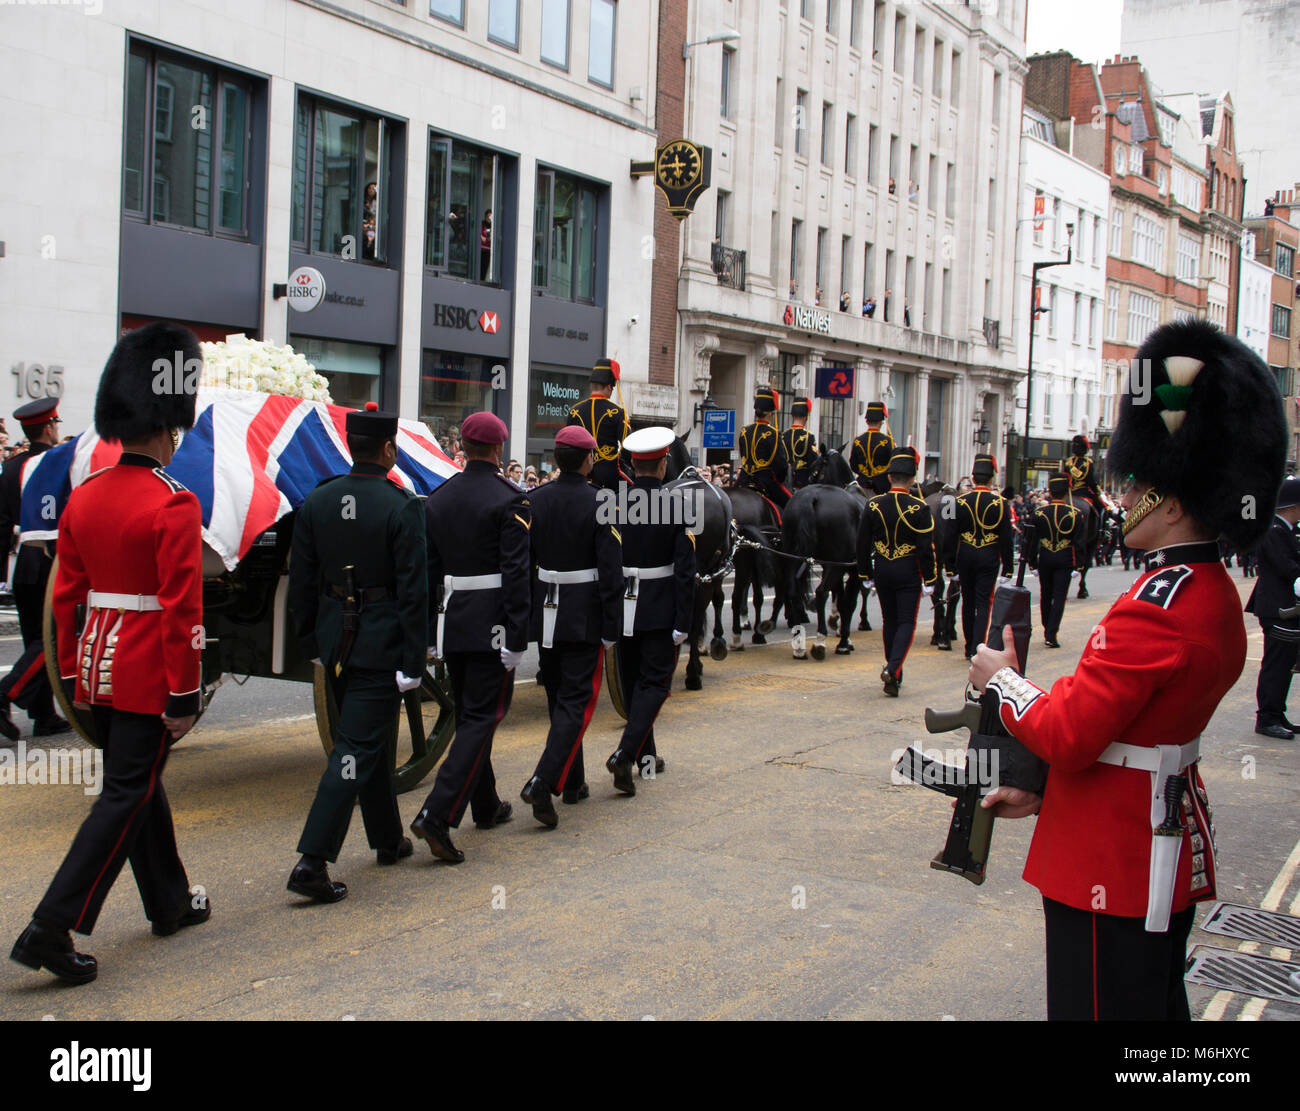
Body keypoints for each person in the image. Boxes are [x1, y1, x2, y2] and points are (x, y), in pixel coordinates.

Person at [969, 319, 1287, 1021]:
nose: (1126, 491)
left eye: (1140, 479)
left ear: (1172, 501)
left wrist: (1003, 679)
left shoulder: (1156, 604)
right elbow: (1131, 725)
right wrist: (1046, 789)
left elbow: (1077, 730)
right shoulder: (1210, 597)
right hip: (1149, 840)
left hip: (1109, 858)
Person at [10, 323, 208, 985]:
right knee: (124, 792)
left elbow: (65, 600)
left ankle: (171, 900)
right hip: (149, 671)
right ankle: (50, 925)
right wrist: (184, 694)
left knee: (136, 781)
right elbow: (182, 612)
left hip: (95, 666)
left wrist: (69, 674)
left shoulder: (85, 496)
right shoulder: (173, 504)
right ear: (164, 429)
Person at [285, 402, 427, 903]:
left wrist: (312, 643)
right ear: (388, 449)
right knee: (354, 750)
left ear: (351, 447)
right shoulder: (401, 505)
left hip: (335, 642)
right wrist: (414, 660)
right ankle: (313, 860)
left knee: (369, 739)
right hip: (380, 644)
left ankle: (387, 838)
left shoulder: (320, 501)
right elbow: (414, 593)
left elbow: (301, 582)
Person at [411, 411, 530, 863]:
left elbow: (429, 571)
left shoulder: (438, 498)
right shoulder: (511, 500)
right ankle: (437, 814)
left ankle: (485, 803)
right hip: (492, 622)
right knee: (485, 715)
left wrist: (428, 630)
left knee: (469, 715)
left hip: (453, 619)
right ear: (498, 450)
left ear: (462, 446)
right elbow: (516, 574)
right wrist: (517, 635)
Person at [519, 425, 623, 825]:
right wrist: (612, 626)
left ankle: (574, 780)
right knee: (576, 703)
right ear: (588, 460)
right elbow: (610, 571)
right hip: (584, 614)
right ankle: (542, 782)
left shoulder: (534, 499)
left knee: (558, 695)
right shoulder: (603, 503)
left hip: (548, 612)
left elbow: (526, 562)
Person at [604, 427, 695, 796]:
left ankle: (646, 757)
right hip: (659, 608)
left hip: (623, 606)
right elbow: (686, 571)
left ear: (633, 465)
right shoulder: (679, 506)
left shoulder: (612, 504)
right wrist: (684, 621)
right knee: (654, 684)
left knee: (632, 681)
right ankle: (625, 754)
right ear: (663, 465)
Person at [0, 397, 70, 739]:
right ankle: (5, 694)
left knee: (34, 639)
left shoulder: (11, 467)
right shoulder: (56, 463)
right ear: (49, 427)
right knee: (52, 640)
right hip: (50, 560)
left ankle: (44, 715)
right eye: (56, 424)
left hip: (24, 564)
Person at [859, 447, 935, 696]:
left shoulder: (873, 505)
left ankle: (894, 676)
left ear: (890, 477)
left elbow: (862, 544)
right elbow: (925, 549)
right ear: (912, 479)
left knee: (889, 621)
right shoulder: (920, 508)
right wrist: (931, 578)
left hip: (882, 568)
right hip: (907, 570)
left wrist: (865, 574)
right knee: (906, 622)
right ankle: (892, 667)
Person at [1246, 475, 1300, 740]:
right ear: (1292, 506)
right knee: (1276, 665)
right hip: (1278, 606)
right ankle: (1267, 718)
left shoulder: (1284, 529)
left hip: (1284, 605)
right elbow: (1288, 567)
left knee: (1284, 664)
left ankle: (1277, 713)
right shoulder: (1274, 530)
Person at [953, 454, 1013, 658]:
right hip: (988, 555)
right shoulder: (1002, 503)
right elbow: (1006, 538)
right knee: (982, 603)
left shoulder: (957, 502)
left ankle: (968, 643)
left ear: (973, 477)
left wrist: (949, 564)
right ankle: (976, 647)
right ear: (991, 479)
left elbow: (950, 535)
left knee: (967, 601)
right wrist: (1008, 566)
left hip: (965, 555)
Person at [1025, 475, 1084, 649]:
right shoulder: (1075, 515)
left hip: (1045, 558)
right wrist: (1079, 565)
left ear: (1050, 493)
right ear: (1066, 493)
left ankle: (1046, 627)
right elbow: (1079, 544)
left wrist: (1032, 563)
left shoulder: (1038, 514)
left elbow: (1032, 541)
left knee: (1046, 594)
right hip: (1065, 559)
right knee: (1059, 597)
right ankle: (1052, 633)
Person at [568, 357, 631, 491]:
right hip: (611, 479)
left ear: (592, 386)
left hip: (579, 478)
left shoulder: (574, 411)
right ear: (609, 387)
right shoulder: (617, 412)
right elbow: (628, 447)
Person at [736, 387, 791, 510]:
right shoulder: (774, 433)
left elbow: (743, 454)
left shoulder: (744, 431)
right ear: (771, 413)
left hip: (743, 480)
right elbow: (780, 464)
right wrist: (780, 479)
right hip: (765, 481)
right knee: (792, 505)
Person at [849, 401, 894, 494]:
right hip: (883, 487)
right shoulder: (887, 440)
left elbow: (853, 464)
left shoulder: (858, 440)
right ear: (881, 422)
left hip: (862, 484)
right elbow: (893, 463)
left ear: (866, 421)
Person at [781, 397, 818, 490]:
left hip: (785, 481)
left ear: (792, 416)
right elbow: (813, 461)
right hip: (803, 482)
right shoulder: (809, 436)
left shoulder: (783, 435)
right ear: (806, 417)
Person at [479, 209, 493, 281]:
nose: (489, 219)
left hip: (488, 249)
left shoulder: (493, 226)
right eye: (488, 217)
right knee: (479, 265)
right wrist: (481, 237)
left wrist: (490, 237)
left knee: (485, 266)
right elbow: (478, 231)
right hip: (481, 247)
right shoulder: (482, 223)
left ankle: (482, 280)